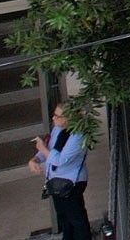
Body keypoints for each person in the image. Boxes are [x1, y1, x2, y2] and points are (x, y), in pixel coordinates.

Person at [28, 102, 92, 240]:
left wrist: (42, 148)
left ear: (69, 118)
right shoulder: (57, 129)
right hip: (56, 181)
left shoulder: (78, 135)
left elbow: (60, 160)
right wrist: (34, 160)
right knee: (64, 218)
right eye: (54, 115)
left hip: (72, 182)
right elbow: (49, 149)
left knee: (76, 219)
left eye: (58, 116)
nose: (54, 118)